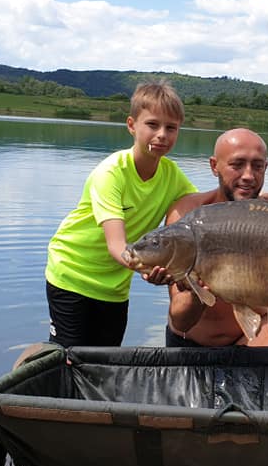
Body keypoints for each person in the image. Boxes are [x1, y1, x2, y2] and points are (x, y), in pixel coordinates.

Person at [43, 81, 197, 348]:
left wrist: (255, 200)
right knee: (69, 360)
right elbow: (116, 245)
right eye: (152, 124)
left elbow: (205, 205)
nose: (162, 134)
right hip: (72, 275)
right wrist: (147, 268)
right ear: (131, 125)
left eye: (171, 128)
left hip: (115, 289)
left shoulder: (172, 175)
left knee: (105, 363)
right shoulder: (111, 173)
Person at [164, 128, 268, 348]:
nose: (248, 176)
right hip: (191, 342)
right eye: (237, 165)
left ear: (266, 168)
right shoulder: (187, 215)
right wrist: (200, 289)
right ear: (214, 165)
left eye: (257, 166)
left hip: (250, 337)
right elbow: (181, 320)